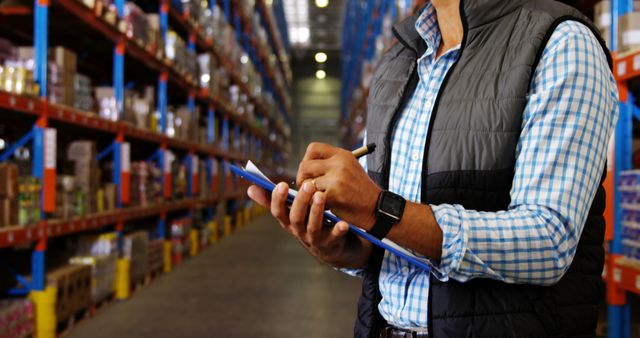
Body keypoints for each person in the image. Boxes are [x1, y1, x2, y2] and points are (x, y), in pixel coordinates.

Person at [248, 0, 618, 337]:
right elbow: (394, 243)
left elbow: (548, 242)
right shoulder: (398, 64)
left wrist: (380, 208)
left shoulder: (562, 44)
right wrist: (343, 249)